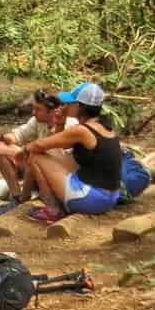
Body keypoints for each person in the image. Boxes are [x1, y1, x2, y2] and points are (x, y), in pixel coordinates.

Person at [20, 81, 121, 224]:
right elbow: (55, 151)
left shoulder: (81, 131)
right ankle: (53, 203)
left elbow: (39, 145)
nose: (64, 106)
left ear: (79, 106)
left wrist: (23, 150)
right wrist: (60, 123)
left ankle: (53, 209)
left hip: (92, 199)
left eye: (69, 103)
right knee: (52, 155)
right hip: (109, 198)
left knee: (35, 156)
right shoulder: (103, 127)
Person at [0, 89, 77, 214]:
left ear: (52, 111)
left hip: (57, 174)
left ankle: (30, 201)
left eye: (38, 109)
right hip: (36, 167)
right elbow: (18, 135)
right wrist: (3, 138)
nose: (33, 113)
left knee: (29, 156)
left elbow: (52, 155)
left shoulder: (70, 125)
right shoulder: (38, 121)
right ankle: (17, 198)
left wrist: (9, 150)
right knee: (1, 151)